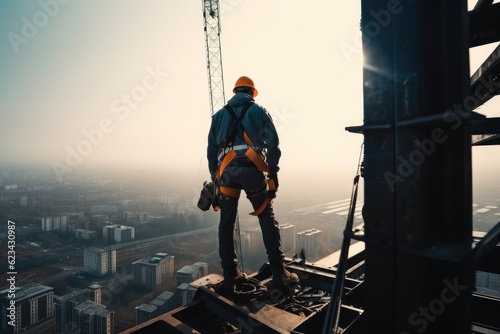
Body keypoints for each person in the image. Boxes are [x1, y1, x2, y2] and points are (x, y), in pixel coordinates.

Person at [207, 75, 299, 291]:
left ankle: (231, 275)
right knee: (266, 215)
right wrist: (273, 172)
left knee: (226, 223)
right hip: (252, 170)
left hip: (227, 173)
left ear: (235, 92)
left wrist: (215, 178)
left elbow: (211, 151)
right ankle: (279, 272)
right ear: (251, 92)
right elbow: (273, 144)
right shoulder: (259, 111)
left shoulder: (218, 116)